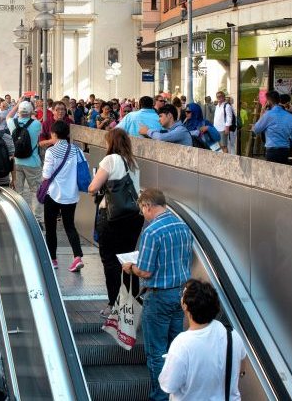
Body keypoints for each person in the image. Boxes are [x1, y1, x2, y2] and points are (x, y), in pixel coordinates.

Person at [122, 187, 194, 401]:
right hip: (180, 296)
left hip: (158, 297)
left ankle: (160, 397)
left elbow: (145, 270)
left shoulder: (152, 231)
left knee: (156, 353)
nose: (143, 215)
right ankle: (176, 395)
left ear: (148, 206)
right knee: (175, 349)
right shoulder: (182, 226)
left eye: (142, 210)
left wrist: (130, 267)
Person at [158, 279, 246, 401]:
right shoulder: (231, 334)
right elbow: (241, 369)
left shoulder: (182, 343)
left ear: (185, 306)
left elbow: (168, 385)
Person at [87, 128, 145, 314]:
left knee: (110, 260)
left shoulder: (110, 160)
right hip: (134, 217)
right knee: (128, 258)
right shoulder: (133, 162)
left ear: (111, 143)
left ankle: (114, 303)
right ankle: (132, 301)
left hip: (113, 217)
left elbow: (92, 187)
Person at [41, 121, 85, 272]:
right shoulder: (76, 150)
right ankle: (77, 257)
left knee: (51, 228)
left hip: (53, 194)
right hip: (71, 194)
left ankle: (53, 259)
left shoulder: (51, 151)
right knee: (70, 226)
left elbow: (46, 175)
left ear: (53, 134)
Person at [7, 100, 45, 221]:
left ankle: (19, 217)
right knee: (35, 191)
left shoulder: (12, 122)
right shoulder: (36, 124)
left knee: (18, 191)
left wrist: (18, 104)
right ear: (31, 112)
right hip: (33, 162)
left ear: (18, 112)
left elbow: (8, 115)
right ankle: (37, 219)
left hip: (16, 162)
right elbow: (37, 120)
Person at [251, 91, 292, 164]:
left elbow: (256, 129)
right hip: (285, 151)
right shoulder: (290, 116)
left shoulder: (268, 115)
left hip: (272, 151)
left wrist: (262, 112)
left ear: (269, 101)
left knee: (272, 174)